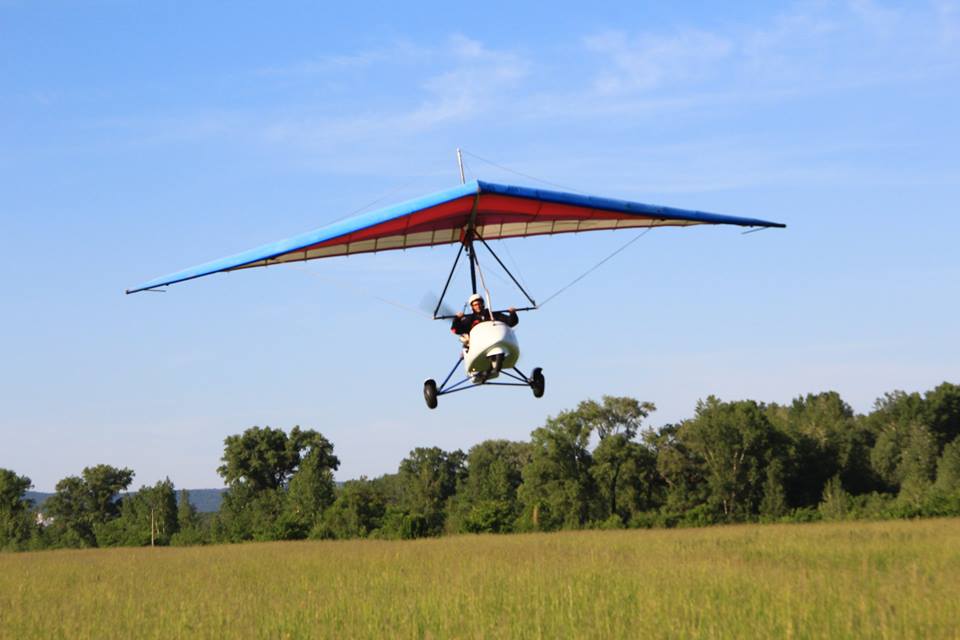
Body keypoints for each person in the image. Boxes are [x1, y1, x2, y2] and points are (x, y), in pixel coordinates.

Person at [451, 294, 518, 346]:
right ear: (472, 307)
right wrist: (457, 319)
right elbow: (455, 330)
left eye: (479, 304)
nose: (478, 306)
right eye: (475, 305)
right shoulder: (469, 319)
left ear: (483, 304)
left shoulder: (493, 315)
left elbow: (511, 322)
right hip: (478, 345)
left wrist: (512, 313)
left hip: (494, 340)